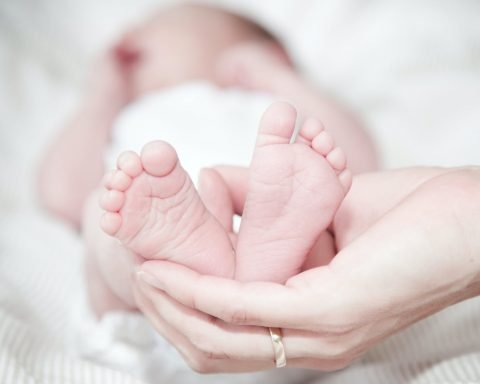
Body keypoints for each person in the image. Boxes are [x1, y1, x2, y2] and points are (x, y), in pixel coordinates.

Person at [38, 4, 377, 315]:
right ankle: (202, 260)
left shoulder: (271, 104)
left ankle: (258, 259)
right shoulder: (124, 116)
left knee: (329, 219)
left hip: (299, 314)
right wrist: (103, 95)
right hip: (153, 318)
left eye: (156, 26)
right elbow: (62, 195)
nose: (129, 37)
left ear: (266, 53)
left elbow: (360, 167)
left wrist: (277, 77)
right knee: (105, 214)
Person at [131, 162, 480, 373]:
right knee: (121, 232)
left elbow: (357, 154)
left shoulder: (278, 90)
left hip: (224, 205)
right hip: (192, 201)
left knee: (122, 241)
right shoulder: (131, 103)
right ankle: (242, 263)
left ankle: (216, 265)